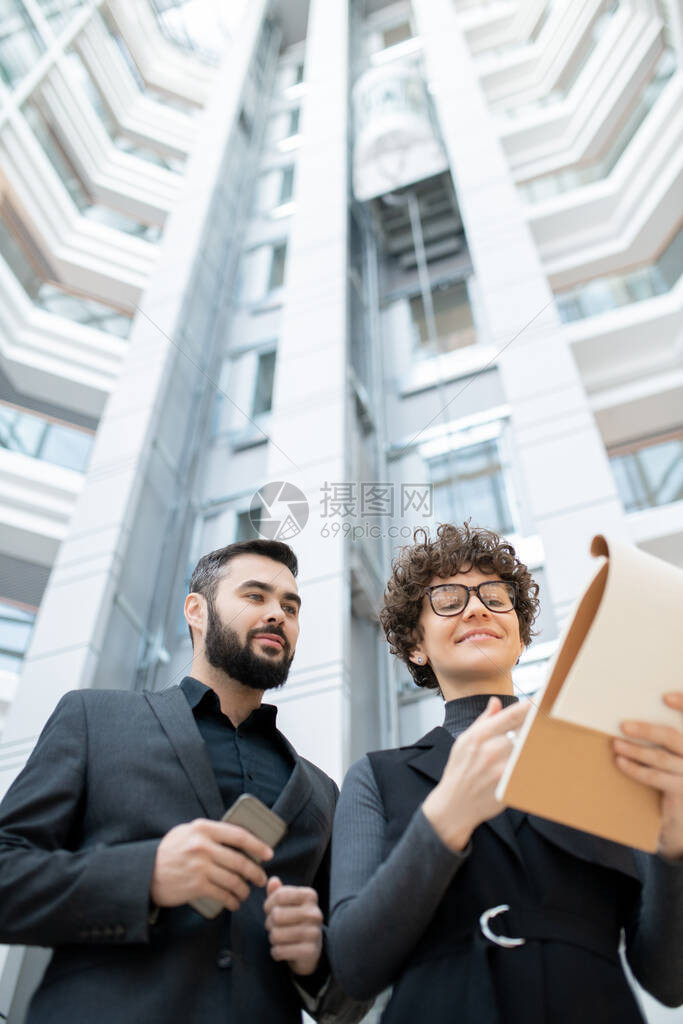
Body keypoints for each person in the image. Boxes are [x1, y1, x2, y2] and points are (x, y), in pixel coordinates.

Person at [0, 538, 367, 1024]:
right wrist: (145, 875)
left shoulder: (322, 792)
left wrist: (315, 956)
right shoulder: (94, 718)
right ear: (197, 610)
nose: (278, 614)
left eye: (290, 606)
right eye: (255, 597)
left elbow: (350, 997)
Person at [328, 522, 683, 1023]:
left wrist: (675, 847)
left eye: (495, 597)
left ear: (519, 637)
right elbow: (354, 965)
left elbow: (669, 982)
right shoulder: (375, 778)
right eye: (448, 599)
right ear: (415, 646)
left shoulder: (608, 758)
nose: (477, 608)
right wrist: (445, 819)